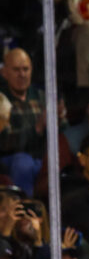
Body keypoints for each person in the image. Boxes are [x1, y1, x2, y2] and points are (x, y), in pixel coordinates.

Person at [0, 49, 47, 196]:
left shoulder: (42, 97)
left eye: (26, 69)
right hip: (10, 159)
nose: (22, 75)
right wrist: (37, 129)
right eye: (16, 70)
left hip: (40, 157)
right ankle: (23, 209)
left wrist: (59, 119)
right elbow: (4, 141)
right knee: (23, 162)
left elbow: (61, 132)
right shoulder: (1, 100)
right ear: (4, 72)